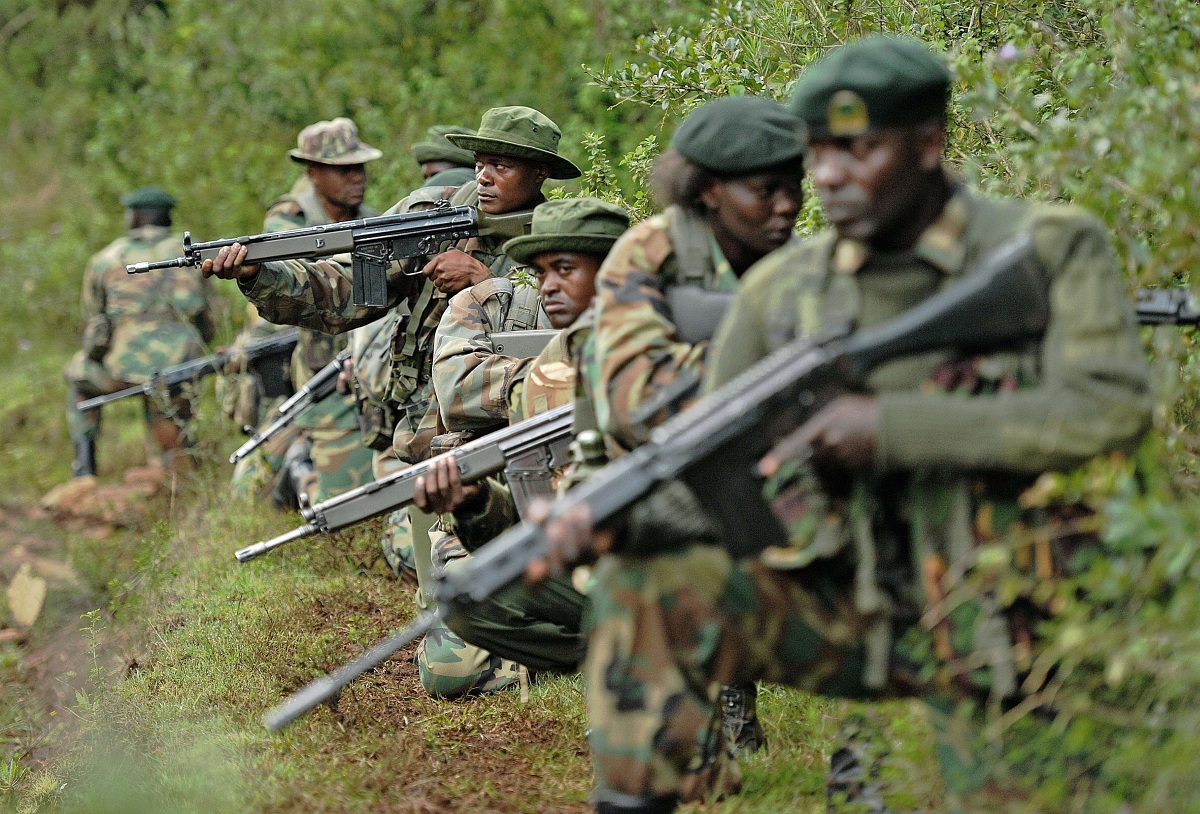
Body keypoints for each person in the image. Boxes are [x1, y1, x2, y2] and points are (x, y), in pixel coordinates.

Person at [532, 37, 1154, 814]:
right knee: (647, 583)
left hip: (1016, 613)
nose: (826, 178)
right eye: (819, 153)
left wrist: (889, 427)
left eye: (858, 150)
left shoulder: (1047, 247)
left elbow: (1110, 408)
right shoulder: (786, 291)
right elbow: (716, 472)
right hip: (855, 604)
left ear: (929, 144)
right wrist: (612, 521)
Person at [203, 105, 583, 698]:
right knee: (446, 631)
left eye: (502, 166)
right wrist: (261, 276)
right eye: (480, 162)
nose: (483, 176)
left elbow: (592, 322)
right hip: (436, 448)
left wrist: (489, 282)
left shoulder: (567, 232)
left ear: (538, 174)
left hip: (535, 444)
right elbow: (342, 294)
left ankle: (568, 630)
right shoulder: (433, 214)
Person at [523, 96, 806, 807]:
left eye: (793, 186)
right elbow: (636, 399)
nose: (787, 206)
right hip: (647, 484)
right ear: (709, 190)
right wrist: (772, 373)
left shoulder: (808, 263)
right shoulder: (650, 253)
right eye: (764, 189)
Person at [412, 197, 631, 680]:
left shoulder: (668, 350)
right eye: (540, 270)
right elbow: (543, 513)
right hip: (586, 560)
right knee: (466, 606)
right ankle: (612, 654)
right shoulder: (543, 372)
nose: (548, 286)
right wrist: (476, 502)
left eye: (566, 268)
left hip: (667, 564)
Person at [229, 117, 380, 506]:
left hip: (361, 360)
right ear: (314, 174)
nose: (356, 177)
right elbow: (292, 279)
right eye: (344, 170)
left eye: (359, 167)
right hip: (306, 358)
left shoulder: (373, 217)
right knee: (261, 466)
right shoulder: (291, 220)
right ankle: (296, 472)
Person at [62, 185, 215, 480]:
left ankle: (84, 469)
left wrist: (97, 352)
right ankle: (177, 468)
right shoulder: (195, 252)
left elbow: (96, 326)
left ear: (134, 218)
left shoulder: (106, 259)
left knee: (77, 377)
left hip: (123, 369)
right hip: (180, 367)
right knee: (169, 402)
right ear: (167, 218)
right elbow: (208, 319)